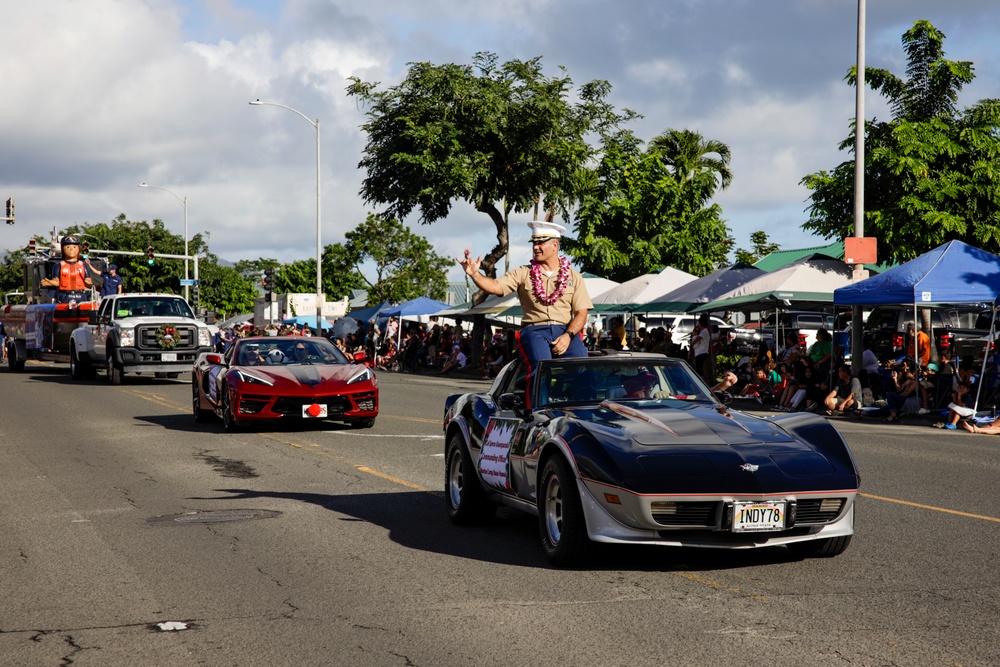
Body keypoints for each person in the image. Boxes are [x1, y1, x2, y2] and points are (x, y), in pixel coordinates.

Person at [457, 220, 592, 402]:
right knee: (540, 369)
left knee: (584, 369)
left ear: (555, 245)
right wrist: (474, 274)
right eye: (534, 243)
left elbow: (581, 313)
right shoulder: (523, 272)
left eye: (541, 242)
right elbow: (496, 286)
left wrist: (568, 336)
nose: (536, 247)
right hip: (535, 330)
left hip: (565, 330)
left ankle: (583, 414)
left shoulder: (574, 276)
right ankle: (536, 415)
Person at [40, 235, 93, 303]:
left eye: (74, 247)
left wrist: (93, 284)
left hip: (80, 295)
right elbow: (56, 281)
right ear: (62, 249)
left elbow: (88, 281)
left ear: (78, 248)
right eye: (68, 247)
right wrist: (49, 283)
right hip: (64, 296)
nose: (71, 249)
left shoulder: (83, 265)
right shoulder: (58, 265)